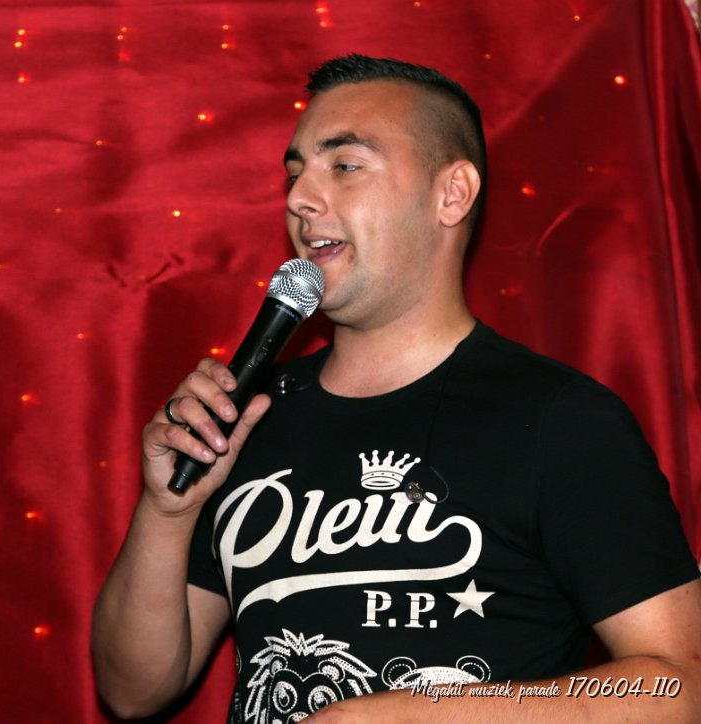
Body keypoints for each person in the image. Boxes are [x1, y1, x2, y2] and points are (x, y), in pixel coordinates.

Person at [91, 54, 701, 722]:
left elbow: (680, 687)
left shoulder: (560, 419)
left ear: (452, 194)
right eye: (295, 173)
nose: (299, 198)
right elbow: (132, 691)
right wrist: (167, 513)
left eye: (345, 165)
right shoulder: (251, 415)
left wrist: (414, 715)